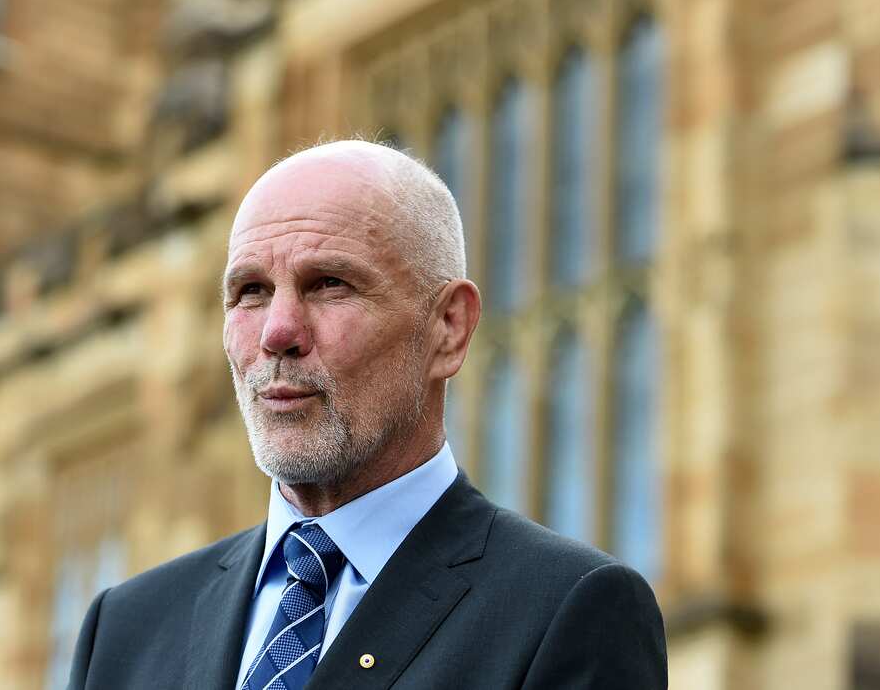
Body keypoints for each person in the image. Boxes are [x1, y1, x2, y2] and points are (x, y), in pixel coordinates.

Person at [66, 140, 667, 689]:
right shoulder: (125, 630)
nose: (277, 332)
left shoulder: (568, 610)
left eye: (329, 284)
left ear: (449, 328)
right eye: (250, 291)